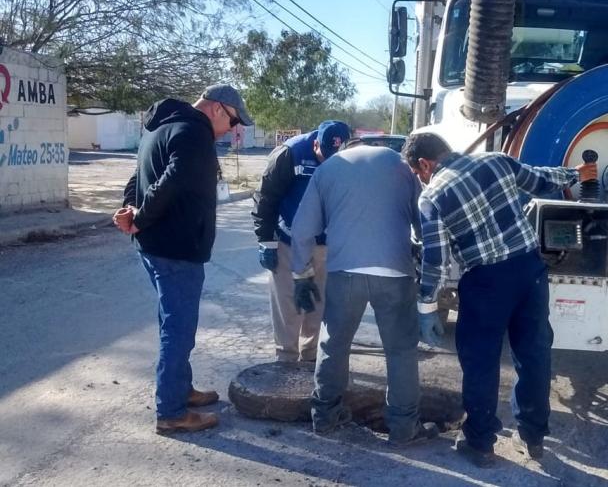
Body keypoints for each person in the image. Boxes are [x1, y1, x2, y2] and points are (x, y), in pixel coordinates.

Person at [402, 132, 597, 466]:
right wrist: (577, 173)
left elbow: (435, 258)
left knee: (481, 361)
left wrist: (426, 304)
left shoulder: (432, 196)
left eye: (417, 173)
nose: (420, 179)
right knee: (534, 354)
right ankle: (533, 436)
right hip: (529, 271)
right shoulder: (497, 161)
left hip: (485, 281)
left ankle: (480, 443)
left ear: (424, 163)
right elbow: (541, 180)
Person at [114, 84, 253, 434]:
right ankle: (172, 411)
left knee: (171, 322)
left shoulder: (161, 126)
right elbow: (169, 182)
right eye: (235, 121)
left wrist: (131, 210)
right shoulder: (194, 132)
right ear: (218, 109)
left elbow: (138, 177)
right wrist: (140, 216)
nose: (235, 130)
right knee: (178, 330)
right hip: (176, 249)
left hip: (155, 245)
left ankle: (181, 389)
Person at [290, 141, 438, 446]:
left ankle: (325, 417)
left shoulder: (328, 169)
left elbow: (302, 229)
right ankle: (403, 427)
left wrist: (301, 274)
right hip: (395, 272)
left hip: (345, 273)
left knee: (334, 345)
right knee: (400, 351)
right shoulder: (400, 165)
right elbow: (423, 222)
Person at [251, 121, 351, 362]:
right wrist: (266, 240)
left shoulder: (348, 160)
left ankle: (310, 357)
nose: (328, 162)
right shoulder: (290, 154)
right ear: (316, 142)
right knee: (288, 303)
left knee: (318, 303)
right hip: (289, 242)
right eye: (324, 154)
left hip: (326, 245)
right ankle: (285, 358)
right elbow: (266, 197)